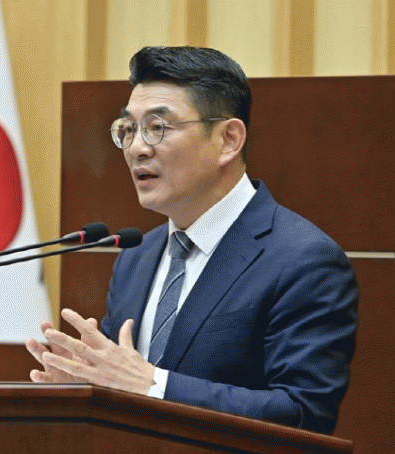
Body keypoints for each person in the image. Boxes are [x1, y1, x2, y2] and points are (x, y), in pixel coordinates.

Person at [25, 46, 358, 434]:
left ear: (228, 139)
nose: (137, 148)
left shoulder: (304, 260)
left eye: (158, 127)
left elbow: (304, 413)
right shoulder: (136, 257)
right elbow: (124, 391)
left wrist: (154, 385)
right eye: (128, 129)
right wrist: (88, 387)